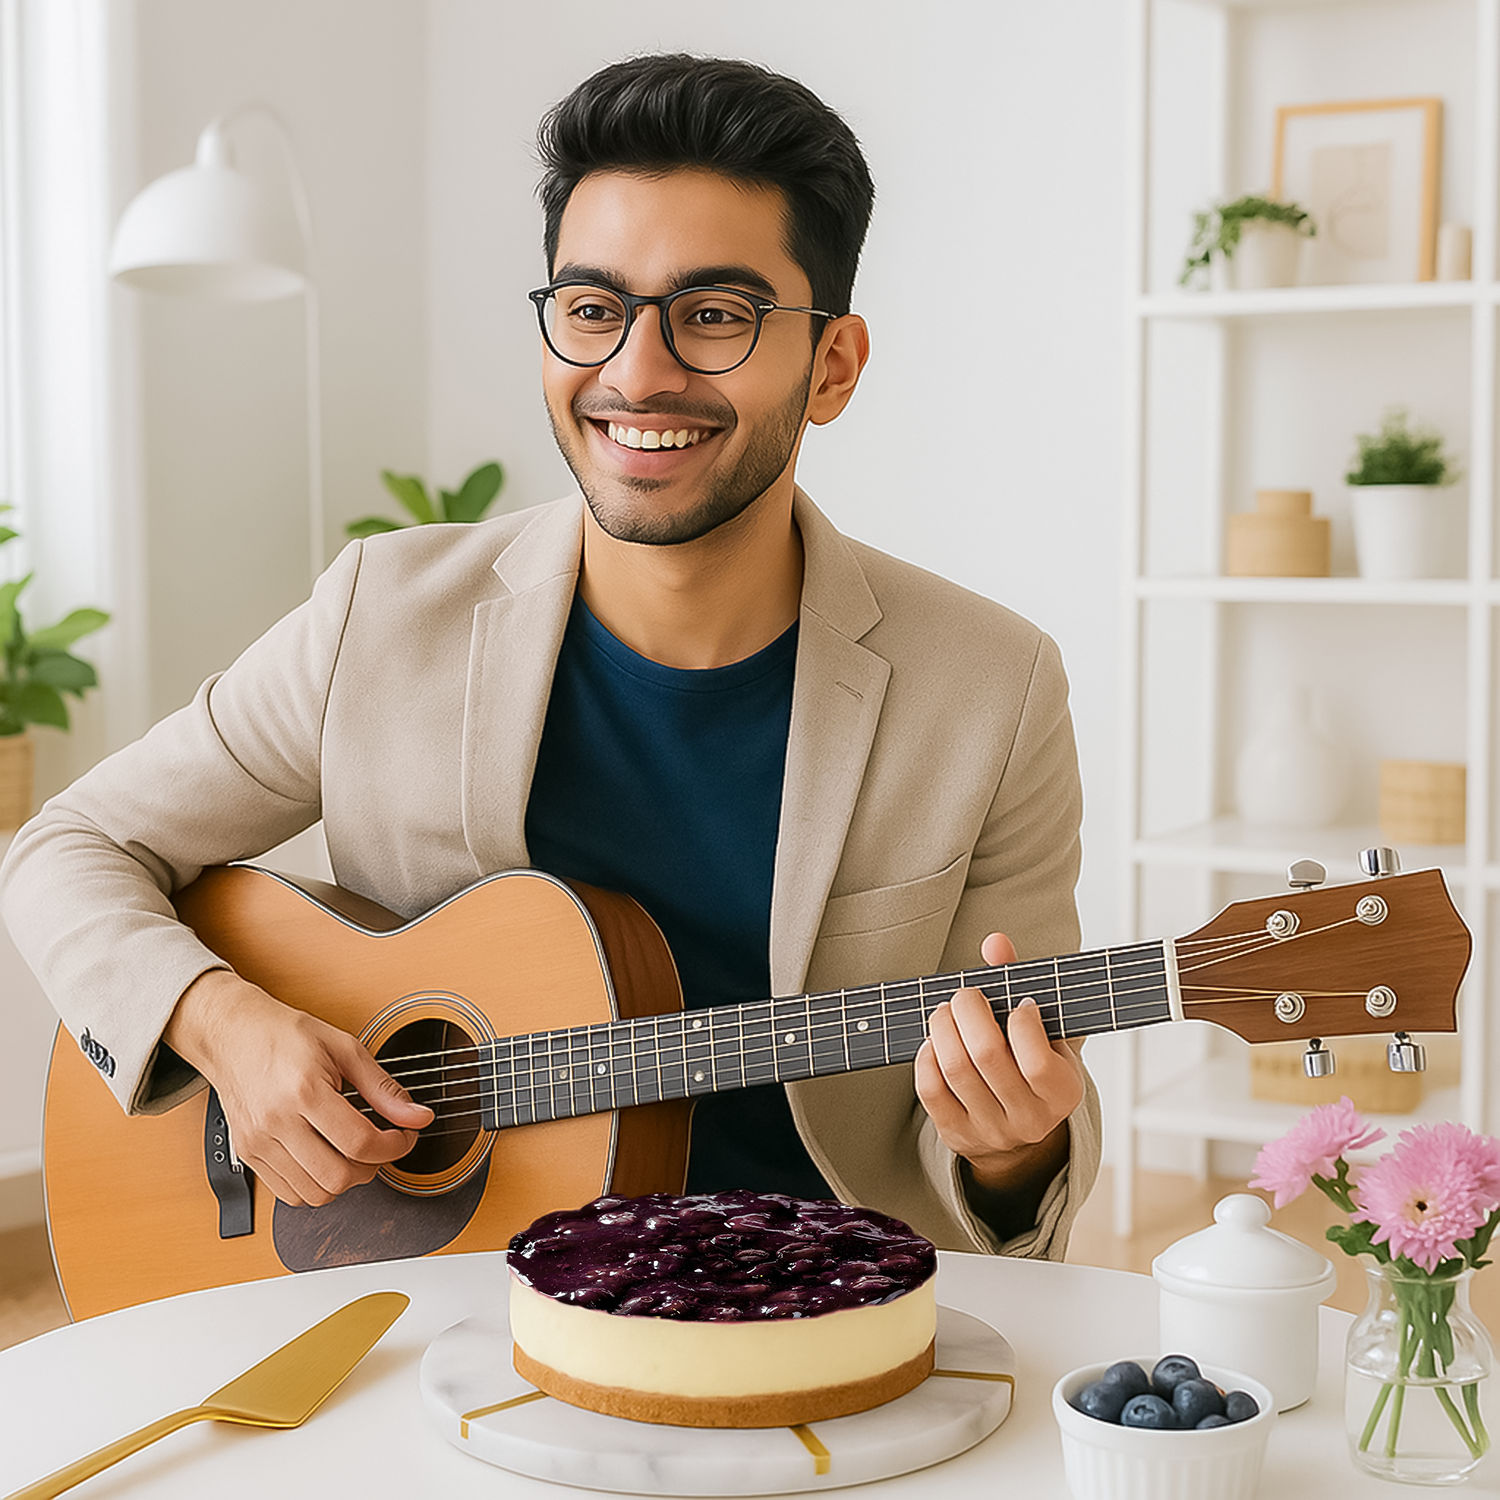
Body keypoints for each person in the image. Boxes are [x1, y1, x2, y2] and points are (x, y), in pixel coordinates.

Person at [0, 54, 1098, 1256]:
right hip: (442, 1311)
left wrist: (1013, 1145)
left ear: (830, 366)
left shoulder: (992, 690)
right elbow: (69, 847)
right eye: (592, 309)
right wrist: (221, 1022)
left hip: (817, 1311)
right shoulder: (385, 612)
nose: (635, 371)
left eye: (715, 317)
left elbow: (1018, 1136)